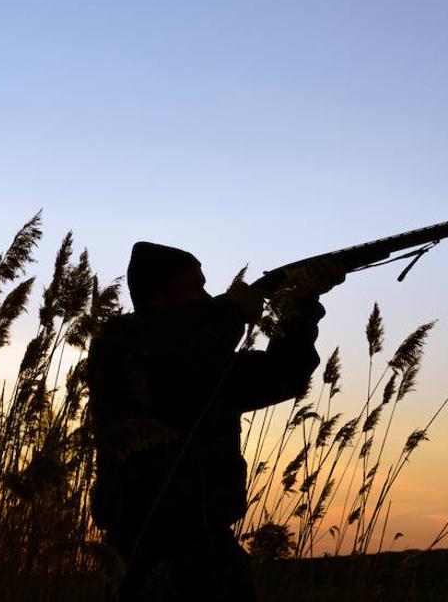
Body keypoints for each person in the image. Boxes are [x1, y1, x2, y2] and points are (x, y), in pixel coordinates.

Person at [87, 242, 344, 601]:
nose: (207, 297)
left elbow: (282, 376)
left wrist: (301, 306)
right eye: (194, 288)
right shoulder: (123, 347)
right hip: (146, 546)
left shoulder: (206, 361)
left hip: (209, 544)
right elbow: (183, 365)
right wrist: (234, 312)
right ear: (157, 299)